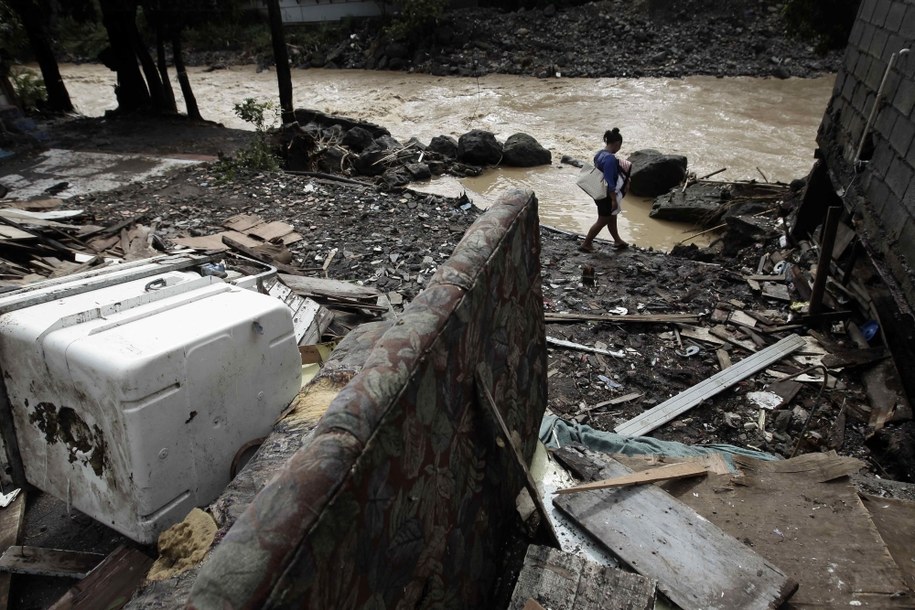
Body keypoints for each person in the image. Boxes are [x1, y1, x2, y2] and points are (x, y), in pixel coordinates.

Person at [579, 127, 629, 252]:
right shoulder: (610, 159)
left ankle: (617, 240)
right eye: (620, 145)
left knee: (612, 216)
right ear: (617, 143)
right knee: (603, 220)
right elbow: (609, 181)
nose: (619, 148)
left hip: (598, 191)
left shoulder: (599, 154)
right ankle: (586, 243)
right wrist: (613, 199)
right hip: (607, 195)